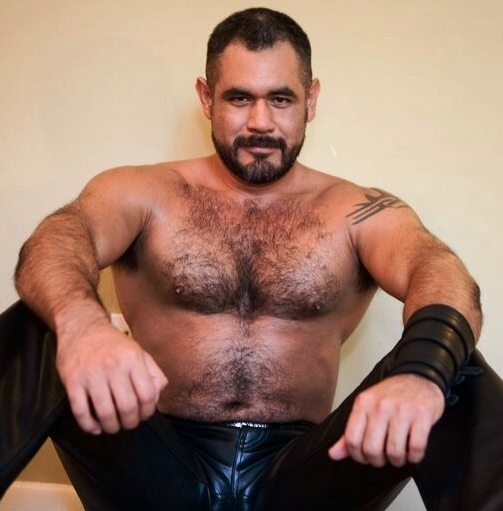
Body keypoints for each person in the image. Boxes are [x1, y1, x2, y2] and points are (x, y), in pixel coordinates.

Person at [8, 6, 503, 511]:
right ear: (207, 98)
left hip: (300, 479)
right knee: (43, 326)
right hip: (156, 469)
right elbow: (57, 241)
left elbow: (439, 271)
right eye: (239, 98)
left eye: (281, 99)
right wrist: (82, 326)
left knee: (449, 363)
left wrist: (421, 372)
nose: (260, 122)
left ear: (311, 100)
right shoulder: (142, 192)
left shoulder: (356, 211)